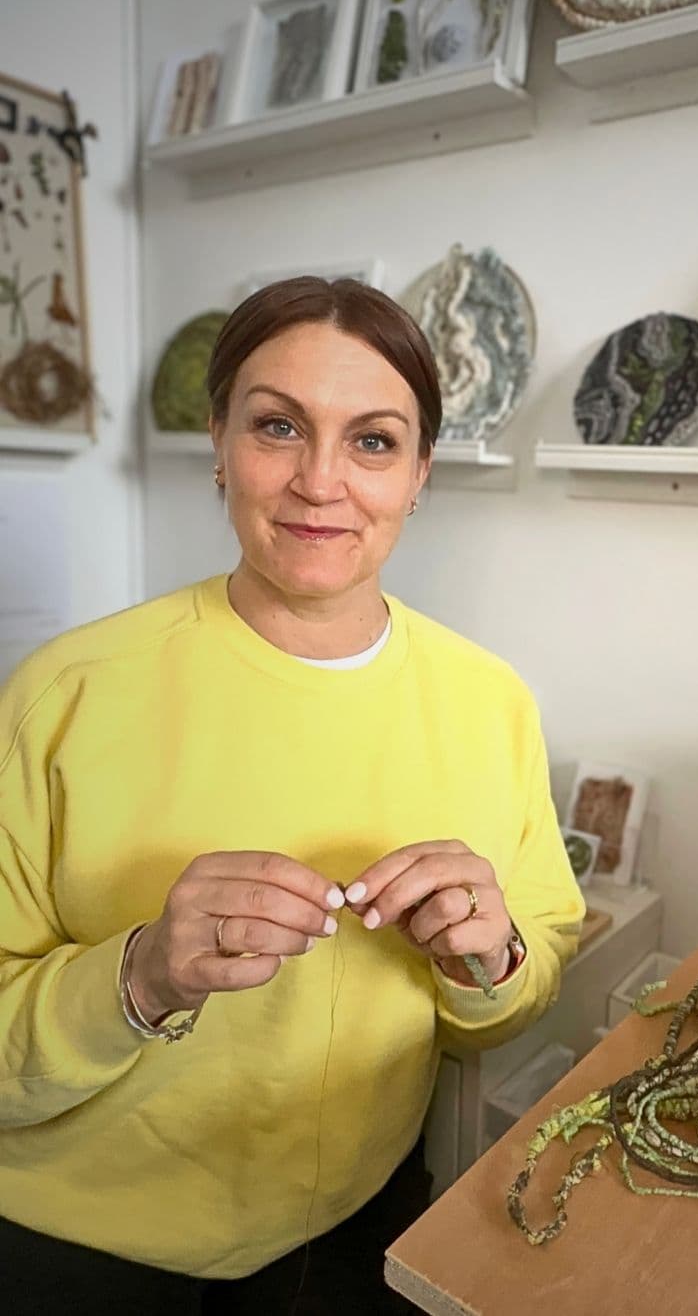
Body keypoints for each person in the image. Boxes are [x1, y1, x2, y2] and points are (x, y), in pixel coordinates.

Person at [0, 277, 586, 1314]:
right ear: (219, 443)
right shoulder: (64, 694)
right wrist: (138, 979)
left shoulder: (491, 703)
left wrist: (490, 956)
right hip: (76, 1249)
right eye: (279, 426)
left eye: (372, 441)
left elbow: (522, 979)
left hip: (365, 1230)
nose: (322, 482)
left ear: (420, 476)